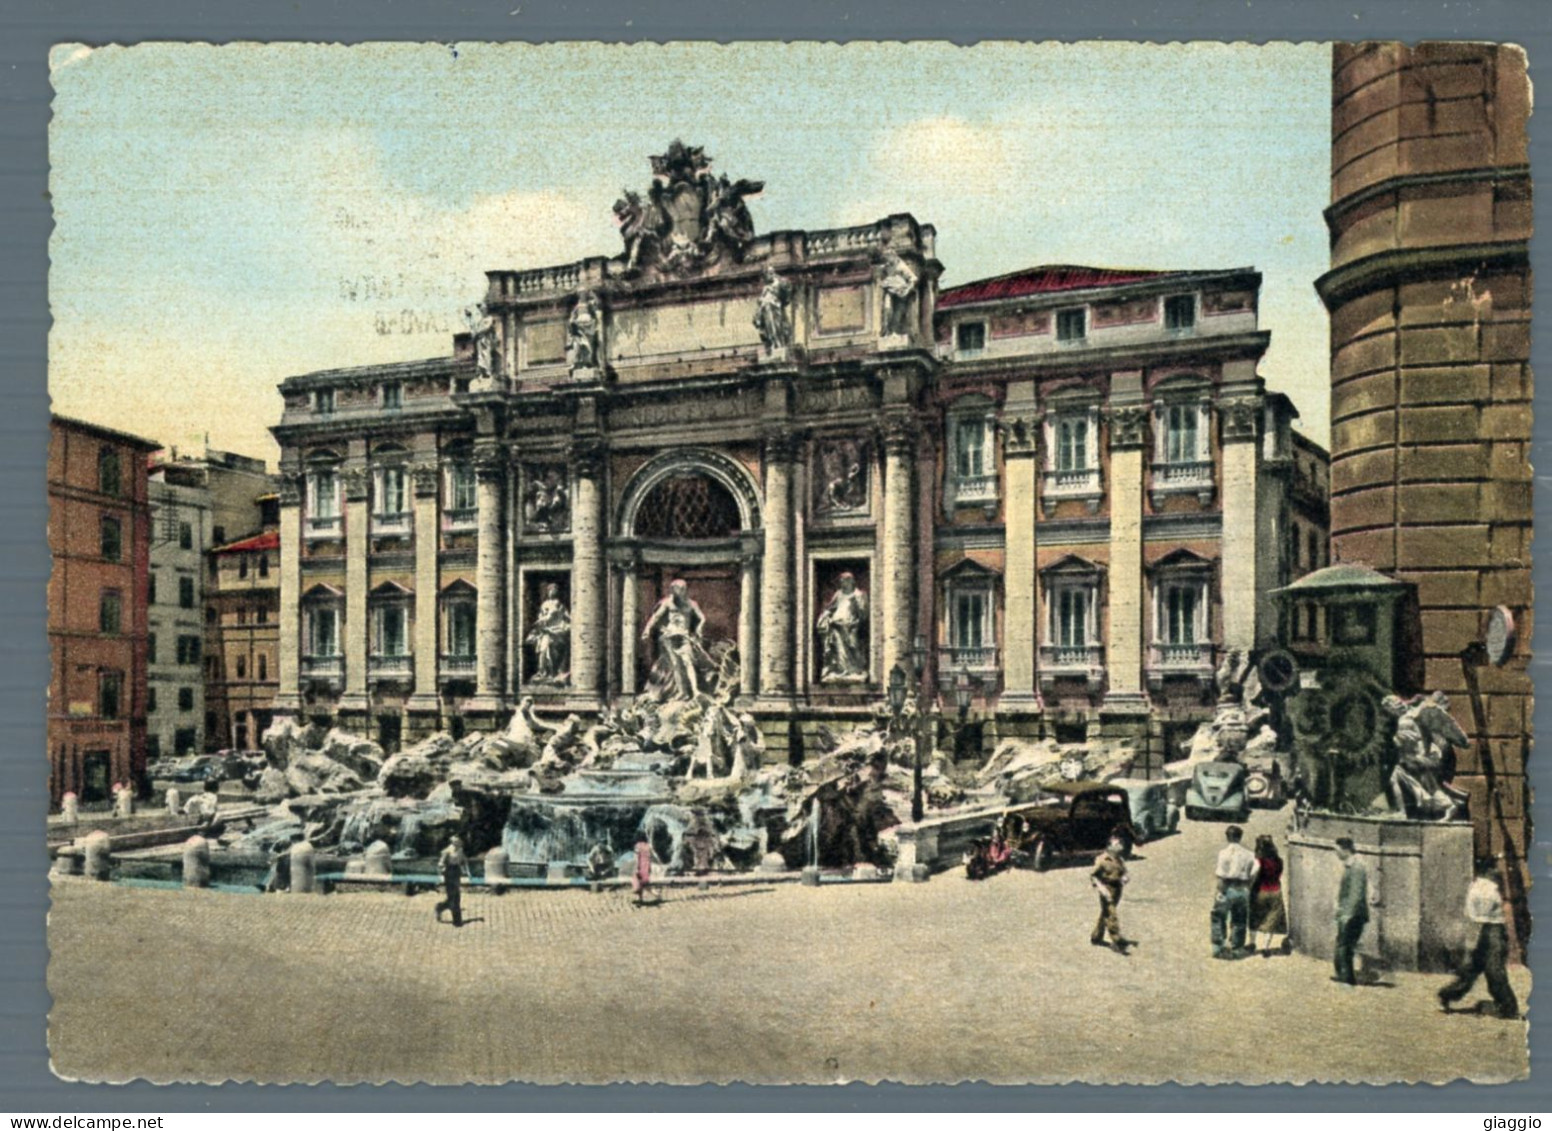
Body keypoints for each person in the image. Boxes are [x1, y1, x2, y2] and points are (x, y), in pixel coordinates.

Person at [1438, 861, 1520, 1019]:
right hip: (1492, 930)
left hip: (1482, 929)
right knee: (1495, 972)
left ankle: (1447, 994)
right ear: (1488, 871)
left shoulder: (1475, 887)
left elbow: (1471, 913)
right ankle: (1508, 1008)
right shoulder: (1488, 888)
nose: (1498, 871)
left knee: (1473, 969)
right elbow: (1486, 912)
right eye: (1494, 868)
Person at [641, 579, 707, 701]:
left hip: (684, 636)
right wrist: (647, 629)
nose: (682, 591)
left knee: (688, 663)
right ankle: (683, 692)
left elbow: (702, 618)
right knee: (676, 665)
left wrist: (699, 628)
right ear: (673, 590)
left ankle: (695, 690)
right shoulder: (667, 603)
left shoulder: (691, 604)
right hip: (670, 637)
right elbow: (656, 617)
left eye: (684, 588)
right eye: (679, 588)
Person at [1211, 825, 1259, 959]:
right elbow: (1255, 870)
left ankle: (1218, 947)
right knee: (1240, 920)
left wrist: (1220, 891)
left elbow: (1221, 875)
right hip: (1242, 889)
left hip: (1227, 887)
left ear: (1227, 837)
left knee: (1219, 918)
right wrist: (1248, 884)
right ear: (1240, 837)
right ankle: (1237, 948)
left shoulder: (1223, 853)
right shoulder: (1249, 854)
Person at [817, 573, 869, 681]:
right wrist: (825, 616)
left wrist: (857, 611)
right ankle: (840, 670)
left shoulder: (858, 594)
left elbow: (864, 613)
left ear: (851, 581)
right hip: (836, 626)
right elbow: (830, 608)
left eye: (844, 580)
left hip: (851, 626)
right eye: (841, 581)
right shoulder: (839, 594)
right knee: (839, 648)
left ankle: (854, 670)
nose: (842, 583)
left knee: (852, 646)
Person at [1332, 836, 1369, 985]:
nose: (1336, 853)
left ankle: (1347, 978)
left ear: (1345, 850)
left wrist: (1347, 914)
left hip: (1353, 914)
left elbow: (1356, 893)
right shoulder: (1351, 865)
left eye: (1337, 850)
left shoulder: (1357, 867)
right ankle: (1345, 975)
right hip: (1347, 913)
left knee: (1345, 946)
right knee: (1343, 945)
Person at [1090, 835, 1132, 954]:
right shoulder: (1102, 859)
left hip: (1117, 888)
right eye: (1117, 844)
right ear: (1109, 846)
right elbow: (1093, 875)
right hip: (1106, 888)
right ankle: (1116, 941)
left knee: (1106, 913)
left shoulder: (1119, 859)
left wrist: (1125, 878)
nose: (1120, 846)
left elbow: (1124, 872)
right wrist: (1102, 889)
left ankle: (1096, 936)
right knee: (1111, 914)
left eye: (1120, 844)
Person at [1251, 834, 1289, 956]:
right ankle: (1266, 948)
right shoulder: (1279, 861)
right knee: (1271, 920)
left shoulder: (1259, 861)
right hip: (1276, 891)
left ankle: (1252, 944)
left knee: (1255, 918)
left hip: (1260, 891)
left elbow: (1253, 875)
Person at [525, 583, 571, 684]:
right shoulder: (544, 604)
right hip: (545, 632)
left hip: (556, 633)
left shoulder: (560, 605)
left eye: (554, 590)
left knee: (551, 650)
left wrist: (562, 628)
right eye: (550, 590)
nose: (552, 592)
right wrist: (541, 623)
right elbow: (541, 617)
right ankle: (543, 672)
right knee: (543, 651)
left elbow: (568, 619)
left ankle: (553, 673)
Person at [434, 835, 469, 927]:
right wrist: (441, 871)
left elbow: (464, 860)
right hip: (449, 872)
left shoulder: (460, 850)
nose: (459, 843)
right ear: (453, 842)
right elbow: (441, 863)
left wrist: (466, 871)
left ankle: (440, 907)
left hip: (457, 871)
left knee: (456, 896)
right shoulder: (447, 851)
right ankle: (457, 921)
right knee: (453, 896)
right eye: (457, 842)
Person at [630, 832, 658, 907]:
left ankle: (655, 894)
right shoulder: (649, 846)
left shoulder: (637, 846)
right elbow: (653, 856)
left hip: (640, 866)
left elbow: (636, 858)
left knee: (640, 882)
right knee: (643, 883)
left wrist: (635, 868)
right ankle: (641, 899)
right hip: (647, 866)